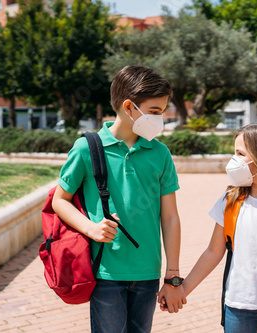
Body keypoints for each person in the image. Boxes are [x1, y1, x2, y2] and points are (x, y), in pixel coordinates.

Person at [52, 65, 186, 333]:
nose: (160, 119)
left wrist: (172, 275)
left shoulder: (160, 153)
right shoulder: (87, 148)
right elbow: (59, 200)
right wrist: (91, 228)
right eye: (155, 112)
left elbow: (170, 217)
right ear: (129, 107)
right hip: (105, 273)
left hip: (148, 272)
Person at [166, 122, 257, 333]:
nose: (234, 160)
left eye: (240, 153)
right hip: (238, 305)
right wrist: (183, 289)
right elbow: (213, 252)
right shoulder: (230, 201)